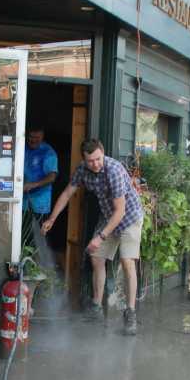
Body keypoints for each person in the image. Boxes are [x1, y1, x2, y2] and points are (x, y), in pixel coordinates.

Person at [43, 139, 144, 335]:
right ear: (84, 159)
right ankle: (96, 308)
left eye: (98, 159)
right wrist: (52, 219)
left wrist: (99, 237)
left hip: (129, 216)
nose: (95, 164)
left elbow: (120, 211)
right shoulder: (82, 169)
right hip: (109, 216)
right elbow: (66, 194)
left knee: (127, 261)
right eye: (91, 161)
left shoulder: (113, 170)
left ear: (103, 154)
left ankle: (130, 313)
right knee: (96, 258)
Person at [22, 127, 59, 249]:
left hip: (40, 202)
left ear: (42, 137)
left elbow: (52, 177)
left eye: (37, 138)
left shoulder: (48, 153)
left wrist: (32, 185)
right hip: (22, 201)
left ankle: (37, 263)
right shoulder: (22, 147)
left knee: (38, 235)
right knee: (22, 233)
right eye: (31, 137)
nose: (33, 140)